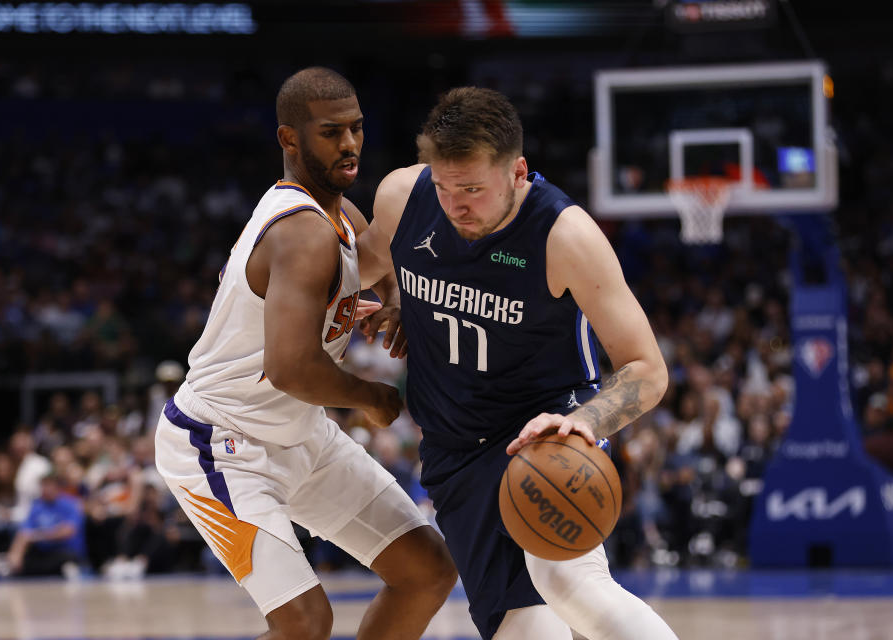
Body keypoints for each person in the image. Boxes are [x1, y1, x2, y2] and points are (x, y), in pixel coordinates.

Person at [358, 87, 678, 640]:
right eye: (444, 186)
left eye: (473, 189)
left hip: (544, 431)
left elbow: (647, 369)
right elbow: (360, 265)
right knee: (529, 632)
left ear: (518, 171)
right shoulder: (402, 198)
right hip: (454, 451)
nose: (455, 205)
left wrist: (587, 423)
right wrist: (391, 298)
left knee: (570, 583)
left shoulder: (566, 236)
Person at [154, 67, 455, 640]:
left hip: (300, 433)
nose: (348, 144)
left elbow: (373, 263)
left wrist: (392, 299)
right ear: (289, 139)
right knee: (304, 623)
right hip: (222, 441)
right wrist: (372, 398)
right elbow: (291, 369)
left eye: (356, 129)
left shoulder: (339, 217)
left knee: (427, 571)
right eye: (330, 131)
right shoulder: (299, 232)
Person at [6, 472, 85, 577]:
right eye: (43, 485)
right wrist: (15, 554)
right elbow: (24, 533)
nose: (45, 489)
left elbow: (67, 531)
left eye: (48, 485)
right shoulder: (37, 506)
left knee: (66, 560)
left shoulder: (70, 504)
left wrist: (37, 536)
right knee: (23, 565)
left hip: (64, 551)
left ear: (58, 487)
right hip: (43, 553)